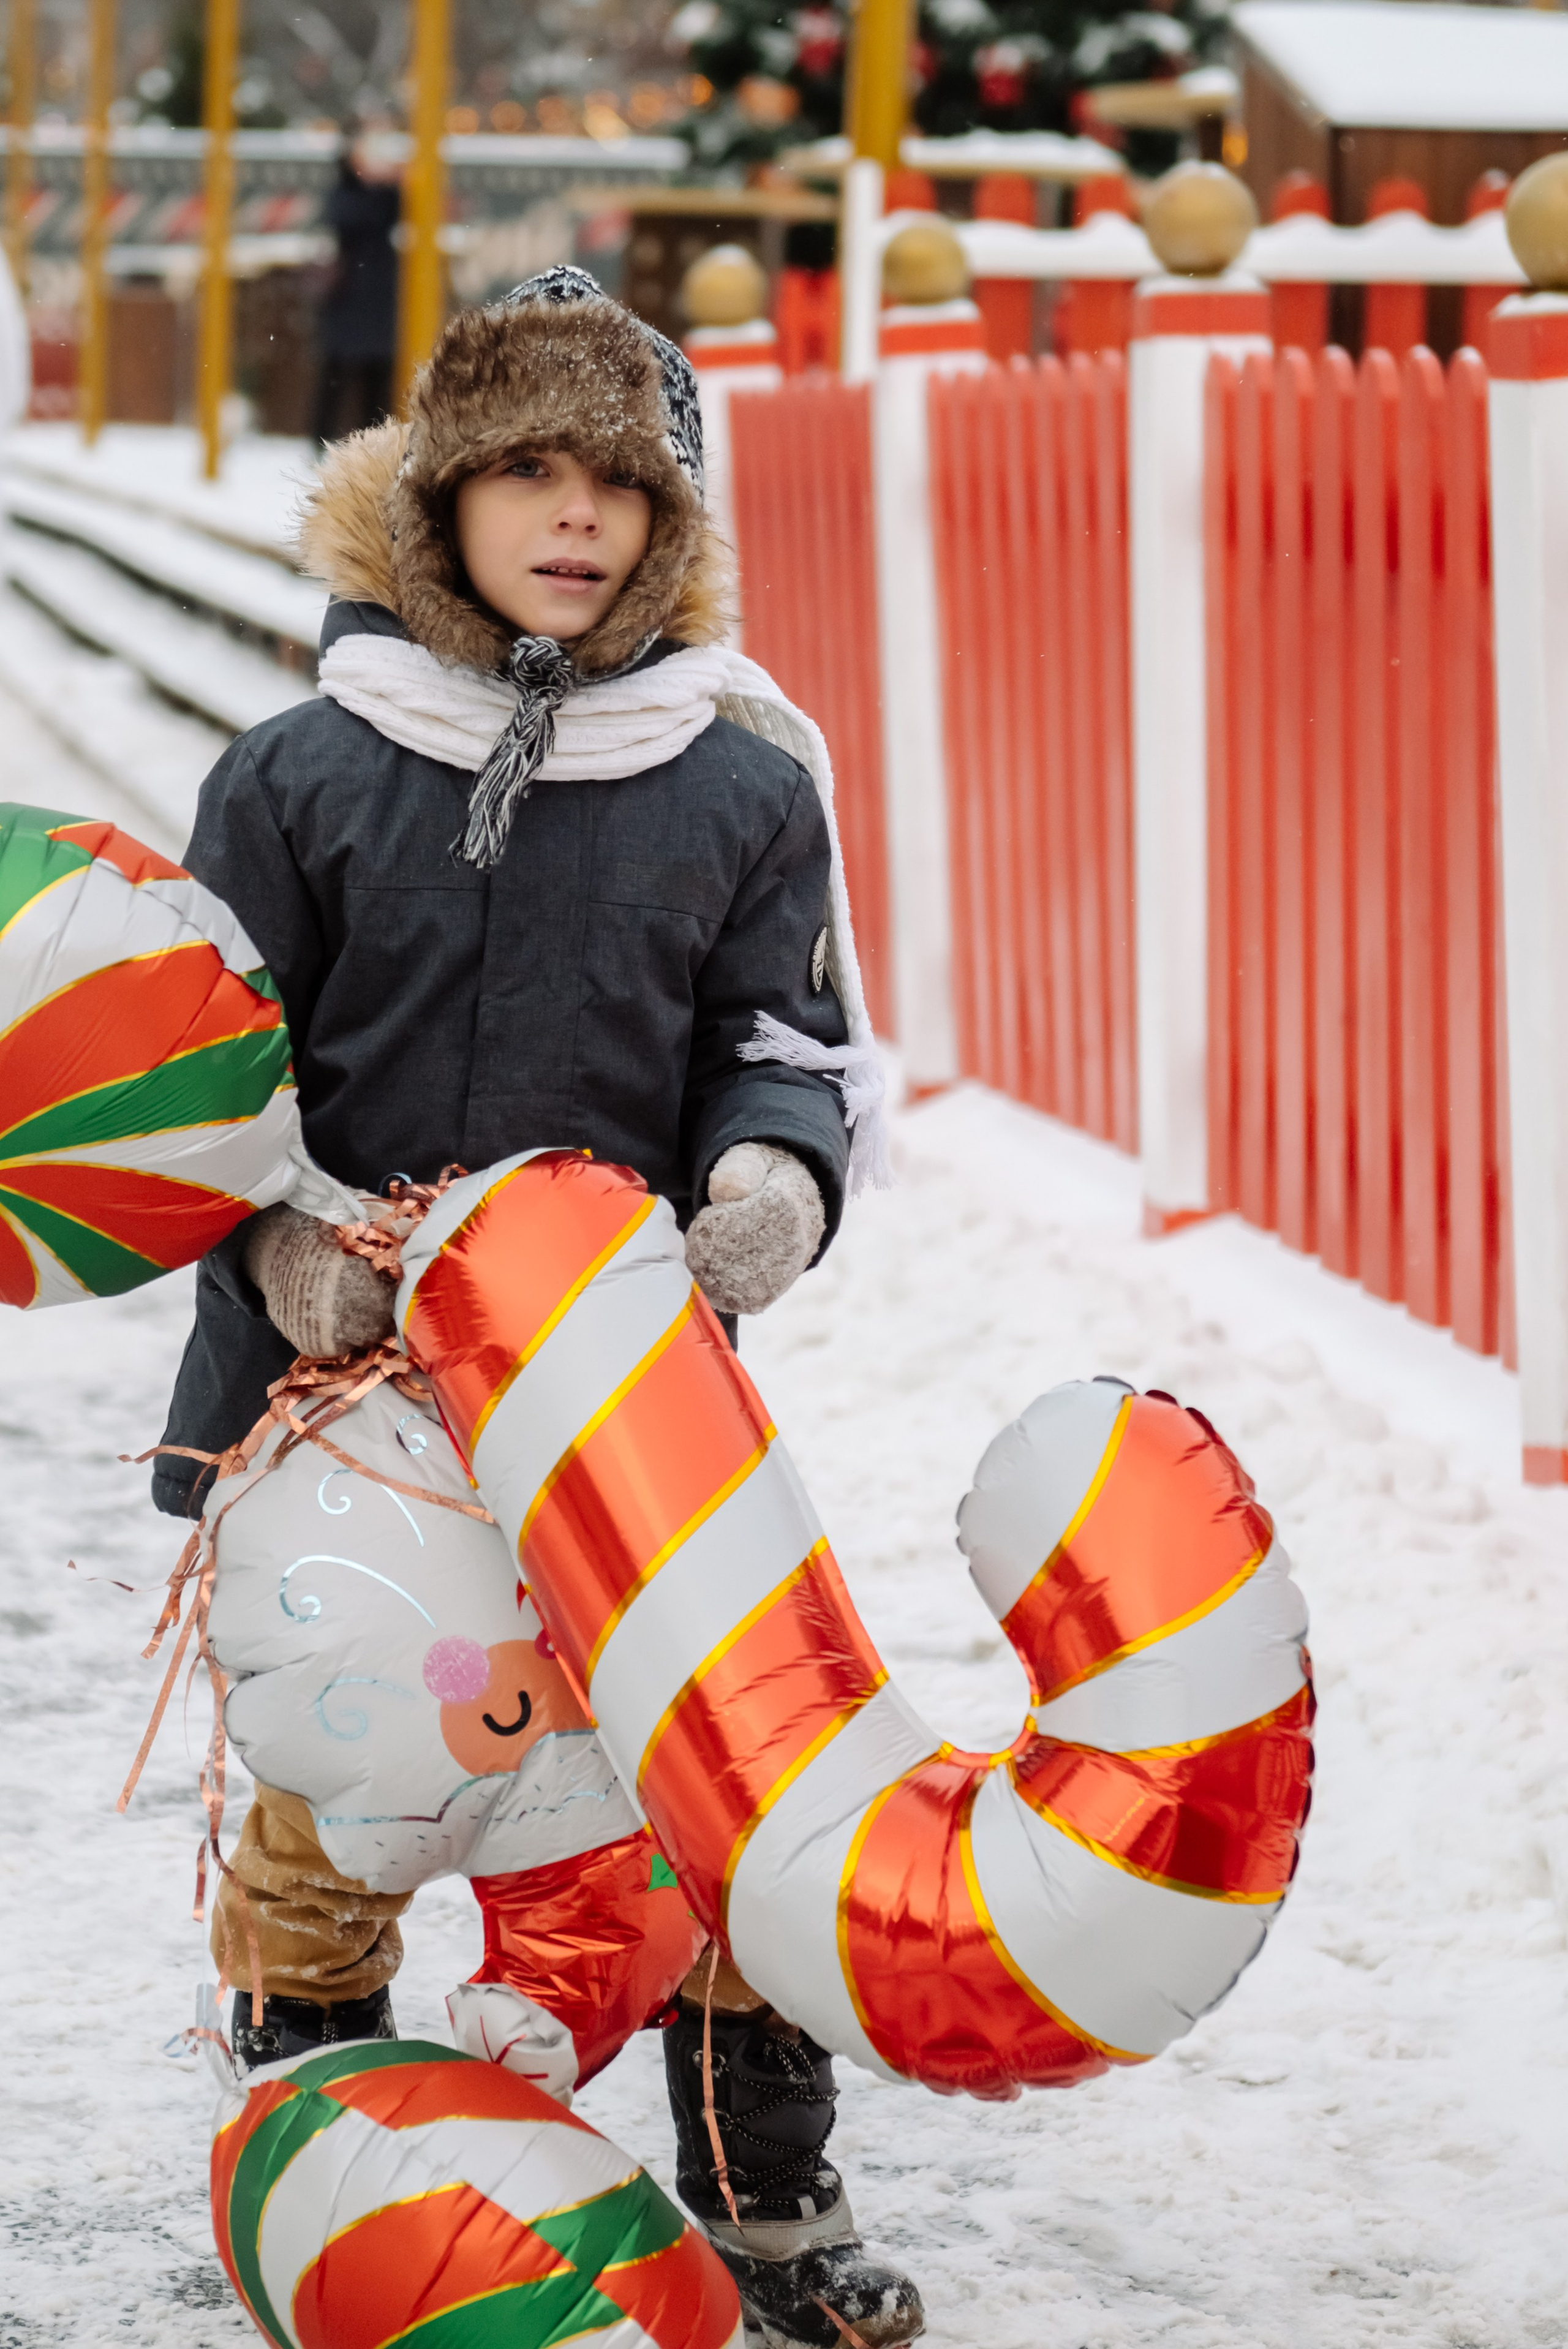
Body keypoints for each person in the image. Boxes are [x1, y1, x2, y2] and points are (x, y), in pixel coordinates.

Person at [153, 266, 919, 2349]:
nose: (575, 515)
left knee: (717, 1794)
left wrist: (771, 1171)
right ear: (441, 495)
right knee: (344, 1799)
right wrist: (278, 1234)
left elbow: (780, 1033)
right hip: (347, 1392)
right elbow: (217, 1074)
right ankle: (326, 2153)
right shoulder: (305, 773)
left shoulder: (739, 784)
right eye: (527, 472)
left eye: (622, 483)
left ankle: (764, 2204)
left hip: (618, 1397)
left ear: (675, 528)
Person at [311, 129, 400, 444]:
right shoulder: (348, 194)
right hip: (350, 296)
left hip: (373, 299)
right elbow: (345, 220)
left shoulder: (388, 194)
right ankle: (322, 439)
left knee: (376, 379)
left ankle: (373, 442)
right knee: (337, 375)